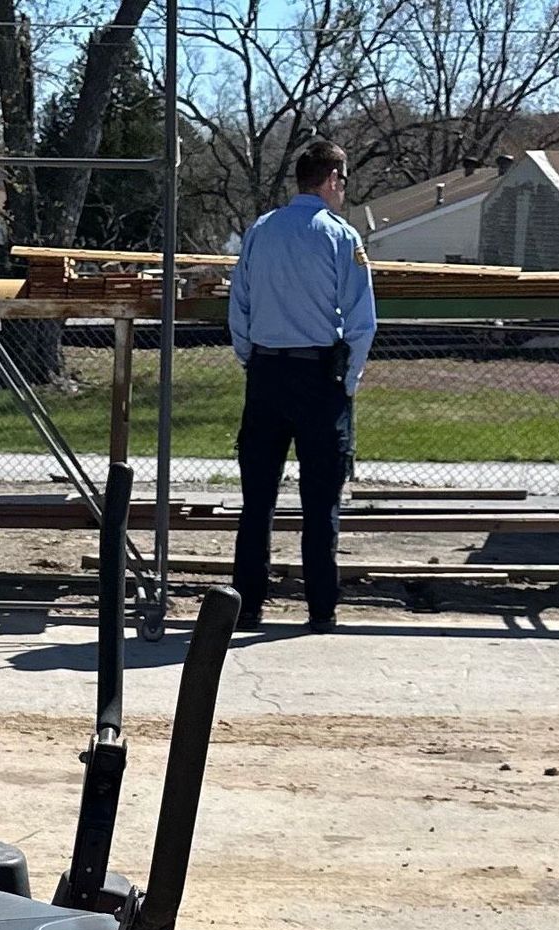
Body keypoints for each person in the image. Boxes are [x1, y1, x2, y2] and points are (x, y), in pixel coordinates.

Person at [226, 138, 378, 632]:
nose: (344, 189)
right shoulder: (341, 236)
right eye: (344, 180)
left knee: (257, 502)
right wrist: (348, 382)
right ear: (332, 179)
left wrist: (252, 359)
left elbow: (239, 306)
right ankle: (321, 609)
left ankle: (247, 605)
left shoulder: (261, 230)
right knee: (321, 502)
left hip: (266, 374)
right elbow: (361, 322)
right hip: (319, 379)